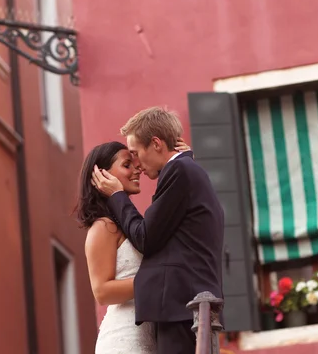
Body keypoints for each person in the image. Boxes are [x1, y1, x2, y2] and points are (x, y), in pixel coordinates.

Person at [91, 106, 224, 354]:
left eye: (136, 154)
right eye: (128, 162)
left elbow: (146, 238)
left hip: (182, 306)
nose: (138, 166)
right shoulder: (184, 170)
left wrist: (118, 195)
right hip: (179, 308)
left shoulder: (180, 171)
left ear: (156, 143)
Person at [76, 138, 191, 354]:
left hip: (150, 336)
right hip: (124, 339)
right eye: (127, 165)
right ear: (102, 175)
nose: (137, 169)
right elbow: (101, 291)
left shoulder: (131, 224)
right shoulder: (103, 227)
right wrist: (158, 278)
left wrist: (181, 162)